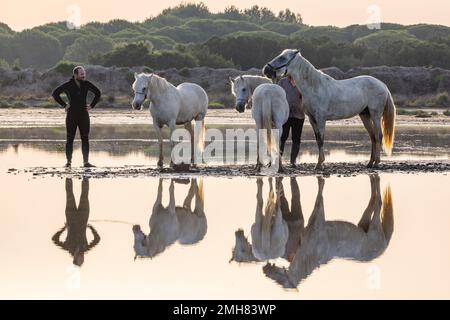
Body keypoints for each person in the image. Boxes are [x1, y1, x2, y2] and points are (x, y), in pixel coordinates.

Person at [52, 66, 101, 168]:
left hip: (84, 114)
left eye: (84, 73)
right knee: (70, 139)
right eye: (81, 74)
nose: (84, 75)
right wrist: (64, 105)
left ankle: (86, 162)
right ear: (75, 75)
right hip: (71, 115)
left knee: (85, 138)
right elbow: (55, 94)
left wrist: (92, 105)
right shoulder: (68, 85)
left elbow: (98, 93)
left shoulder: (86, 84)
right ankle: (68, 163)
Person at [52, 178, 100, 267]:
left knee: (69, 194)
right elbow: (97, 239)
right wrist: (91, 228)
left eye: (80, 259)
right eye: (82, 259)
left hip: (71, 217)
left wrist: (63, 229)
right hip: (83, 217)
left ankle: (68, 175)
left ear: (75, 257)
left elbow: (54, 239)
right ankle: (85, 176)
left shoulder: (68, 247)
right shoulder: (85, 249)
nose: (82, 257)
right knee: (84, 195)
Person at [278, 75, 304, 167]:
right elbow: (278, 97)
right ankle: (278, 161)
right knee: (282, 138)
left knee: (296, 139)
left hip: (299, 115)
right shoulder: (282, 82)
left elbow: (307, 95)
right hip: (285, 115)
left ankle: (293, 162)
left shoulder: (302, 81)